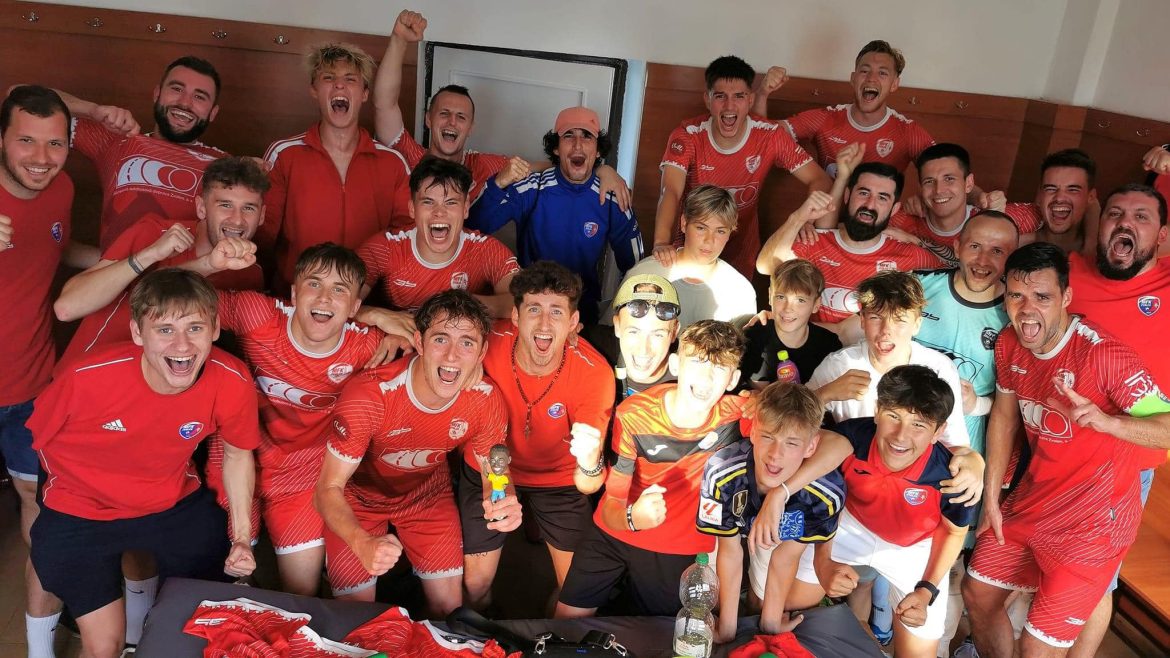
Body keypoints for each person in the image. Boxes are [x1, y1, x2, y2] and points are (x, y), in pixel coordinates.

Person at [28, 269, 260, 658]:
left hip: (169, 501)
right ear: (138, 333)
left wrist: (241, 537)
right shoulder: (85, 378)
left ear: (215, 329)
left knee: (206, 612)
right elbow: (41, 442)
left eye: (195, 328)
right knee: (103, 646)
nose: (182, 345)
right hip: (81, 507)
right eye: (165, 329)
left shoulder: (231, 378)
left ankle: (145, 636)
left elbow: (237, 455)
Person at [963, 242, 1170, 658]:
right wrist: (992, 498)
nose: (1027, 310)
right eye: (1016, 296)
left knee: (1038, 647)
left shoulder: (1104, 355)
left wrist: (1109, 422)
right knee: (977, 593)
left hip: (1093, 524)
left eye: (1042, 297)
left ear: (1066, 297)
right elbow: (1004, 416)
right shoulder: (1009, 342)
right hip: (1033, 501)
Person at [315, 290, 515, 617]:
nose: (452, 356)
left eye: (467, 343)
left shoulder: (485, 398)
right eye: (441, 339)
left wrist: (502, 497)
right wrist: (360, 541)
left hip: (426, 494)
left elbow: (494, 468)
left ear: (481, 352)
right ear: (419, 342)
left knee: (449, 609)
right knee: (355, 615)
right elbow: (327, 488)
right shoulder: (370, 395)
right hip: (358, 500)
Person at [212, 243, 391, 596]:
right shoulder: (258, 315)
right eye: (314, 284)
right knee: (233, 570)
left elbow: (436, 346)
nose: (324, 298)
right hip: (237, 454)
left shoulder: (369, 346)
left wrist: (393, 328)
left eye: (339, 290)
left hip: (303, 471)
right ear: (294, 293)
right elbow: (176, 295)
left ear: (355, 307)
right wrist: (207, 262)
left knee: (301, 593)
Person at [764, 365, 979, 658]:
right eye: (893, 416)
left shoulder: (951, 477)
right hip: (851, 526)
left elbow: (953, 532)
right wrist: (823, 562)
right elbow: (827, 501)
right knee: (784, 604)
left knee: (918, 651)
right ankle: (846, 626)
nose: (900, 436)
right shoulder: (851, 438)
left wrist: (926, 589)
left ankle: (865, 630)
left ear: (938, 432)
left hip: (914, 547)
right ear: (877, 411)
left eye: (918, 425)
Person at [555, 320, 749, 618]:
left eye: (719, 367)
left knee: (658, 632)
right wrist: (633, 518)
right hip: (613, 532)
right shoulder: (634, 414)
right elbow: (612, 502)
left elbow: (811, 435)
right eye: (697, 362)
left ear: (733, 379)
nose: (706, 377)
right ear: (676, 364)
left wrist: (780, 494)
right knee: (566, 619)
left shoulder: (740, 414)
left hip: (676, 547)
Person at [0, 85, 95, 658]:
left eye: (55, 143)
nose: (41, 158)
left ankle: (39, 644)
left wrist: (118, 263)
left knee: (40, 507)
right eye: (26, 141)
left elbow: (53, 247)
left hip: (30, 387)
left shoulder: (61, 188)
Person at [457, 262, 613, 610]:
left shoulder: (594, 373)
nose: (544, 324)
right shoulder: (485, 342)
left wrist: (590, 463)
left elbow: (589, 483)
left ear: (573, 322)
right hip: (488, 468)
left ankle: (545, 635)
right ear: (515, 316)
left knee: (576, 593)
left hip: (558, 480)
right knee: (473, 585)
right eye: (533, 309)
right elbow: (433, 337)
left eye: (556, 311)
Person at [1057, 185, 1170, 657]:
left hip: (1123, 468)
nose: (1125, 222)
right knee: (1037, 567)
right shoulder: (1066, 272)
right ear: (1099, 223)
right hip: (1050, 450)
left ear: (1161, 235)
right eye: (1115, 213)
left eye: (1141, 217)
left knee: (1096, 581)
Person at [374, 9, 630, 208]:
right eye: (444, 114)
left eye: (461, 117)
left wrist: (601, 169)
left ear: (471, 127)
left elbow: (545, 166)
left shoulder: (483, 164)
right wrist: (399, 40)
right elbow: (384, 104)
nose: (452, 122)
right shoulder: (408, 155)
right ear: (428, 119)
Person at [54, 155, 267, 367]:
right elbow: (66, 308)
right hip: (86, 373)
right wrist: (152, 254)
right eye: (225, 205)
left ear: (262, 215)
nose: (237, 219)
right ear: (202, 207)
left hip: (155, 382)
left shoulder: (250, 272)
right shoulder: (155, 233)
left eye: (249, 208)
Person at [653, 55, 832, 277]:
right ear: (708, 100)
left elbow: (820, 179)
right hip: (692, 241)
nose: (729, 105)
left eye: (739, 96)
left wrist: (807, 219)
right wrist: (661, 242)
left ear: (750, 100)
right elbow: (670, 190)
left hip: (741, 246)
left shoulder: (770, 135)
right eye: (720, 96)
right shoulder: (688, 135)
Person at [698, 381, 846, 642]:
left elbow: (786, 557)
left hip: (777, 539)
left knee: (772, 599)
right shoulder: (721, 472)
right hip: (733, 531)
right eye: (768, 437)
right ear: (754, 432)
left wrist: (771, 622)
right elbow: (729, 551)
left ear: (811, 447)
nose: (775, 455)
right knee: (709, 594)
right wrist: (727, 628)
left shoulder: (824, 494)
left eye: (791, 443)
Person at [467, 105, 643, 325]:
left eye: (586, 136)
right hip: (531, 307)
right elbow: (473, 227)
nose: (577, 144)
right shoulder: (532, 187)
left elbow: (636, 267)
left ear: (598, 150)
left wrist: (626, 315)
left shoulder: (612, 196)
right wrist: (498, 183)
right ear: (557, 148)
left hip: (582, 312)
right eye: (568, 136)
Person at [260, 42, 412, 294]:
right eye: (328, 77)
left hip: (367, 302)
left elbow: (405, 239)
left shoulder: (393, 162)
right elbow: (263, 235)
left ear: (364, 93)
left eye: (350, 79)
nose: (339, 85)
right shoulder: (284, 155)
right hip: (295, 300)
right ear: (314, 89)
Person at [48, 56, 228, 249]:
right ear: (157, 94)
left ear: (213, 113)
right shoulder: (117, 140)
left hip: (189, 269)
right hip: (118, 268)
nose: (185, 103)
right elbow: (27, 98)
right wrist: (92, 110)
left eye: (199, 97)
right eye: (176, 89)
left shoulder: (226, 165)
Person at [757, 150, 944, 329]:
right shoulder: (816, 240)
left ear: (894, 209)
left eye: (882, 198)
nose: (870, 204)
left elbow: (954, 267)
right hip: (812, 347)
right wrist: (798, 218)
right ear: (847, 195)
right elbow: (765, 266)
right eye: (863, 193)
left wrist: (915, 240)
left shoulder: (907, 253)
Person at [807, 271, 971, 449]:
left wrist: (970, 459)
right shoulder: (839, 365)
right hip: (853, 462)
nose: (886, 331)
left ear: (917, 325)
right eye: (876, 317)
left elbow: (955, 444)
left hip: (916, 465)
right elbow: (791, 421)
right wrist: (825, 394)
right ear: (862, 320)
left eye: (899, 320)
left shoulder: (939, 368)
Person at [357, 157, 519, 322]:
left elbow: (521, 301)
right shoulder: (384, 248)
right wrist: (376, 315)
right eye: (428, 202)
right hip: (397, 338)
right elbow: (342, 302)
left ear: (465, 209)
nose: (439, 212)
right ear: (412, 209)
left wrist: (460, 304)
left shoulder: (486, 250)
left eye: (450, 202)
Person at [769, 40, 935, 177]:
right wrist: (763, 93)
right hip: (827, 207)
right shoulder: (825, 118)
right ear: (853, 79)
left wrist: (919, 200)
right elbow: (765, 135)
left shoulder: (908, 131)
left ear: (894, 84)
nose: (871, 79)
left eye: (882, 73)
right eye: (864, 71)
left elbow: (943, 171)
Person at [619, 184, 757, 330]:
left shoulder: (740, 291)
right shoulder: (644, 274)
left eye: (720, 231)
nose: (709, 240)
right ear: (684, 223)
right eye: (701, 228)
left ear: (731, 232)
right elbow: (613, 332)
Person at [886, 143, 1038, 263]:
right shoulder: (899, 220)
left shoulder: (1001, 214)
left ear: (969, 183)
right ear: (920, 188)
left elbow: (1050, 220)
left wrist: (1009, 238)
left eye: (949, 179)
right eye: (929, 181)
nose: (938, 190)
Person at [740, 259, 843, 387]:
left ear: (816, 304)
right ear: (770, 296)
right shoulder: (755, 336)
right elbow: (760, 392)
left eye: (800, 300)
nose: (788, 308)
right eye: (781, 297)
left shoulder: (829, 345)